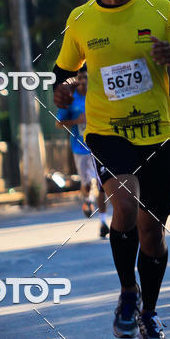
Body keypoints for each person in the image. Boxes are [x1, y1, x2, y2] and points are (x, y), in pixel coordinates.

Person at [52, 0, 170, 339]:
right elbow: (61, 71)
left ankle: (150, 313)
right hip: (107, 132)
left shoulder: (160, 9)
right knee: (124, 201)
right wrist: (61, 90)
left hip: (157, 134)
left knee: (152, 233)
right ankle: (127, 292)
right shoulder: (81, 19)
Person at [56, 67, 109, 239]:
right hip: (80, 148)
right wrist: (76, 121)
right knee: (87, 184)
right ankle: (87, 198)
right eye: (81, 77)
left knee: (102, 186)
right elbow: (59, 122)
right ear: (77, 79)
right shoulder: (71, 100)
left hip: (100, 146)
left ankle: (103, 222)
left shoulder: (97, 95)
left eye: (86, 77)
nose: (84, 80)